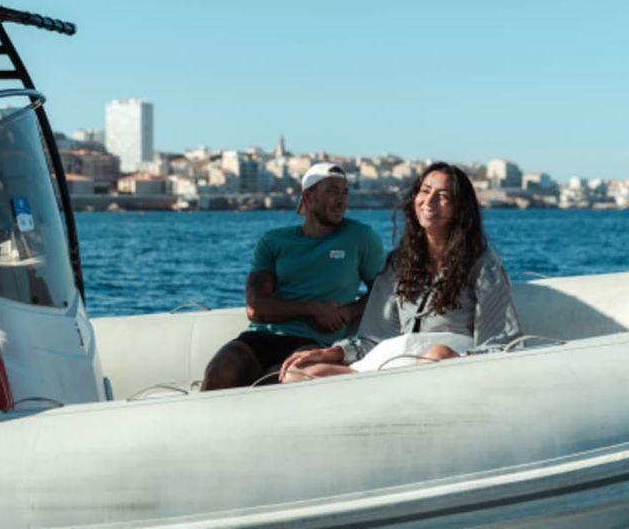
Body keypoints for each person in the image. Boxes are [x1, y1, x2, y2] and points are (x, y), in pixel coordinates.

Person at [279, 162, 522, 382]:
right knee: (297, 373)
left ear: (459, 208)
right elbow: (373, 338)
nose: (429, 201)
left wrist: (454, 357)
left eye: (443, 195)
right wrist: (331, 352)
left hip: (449, 362)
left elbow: (498, 342)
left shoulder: (482, 263)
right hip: (394, 362)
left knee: (434, 355)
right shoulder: (399, 262)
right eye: (425, 191)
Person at [201, 162, 385, 390]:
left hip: (316, 342)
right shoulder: (273, 241)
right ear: (308, 196)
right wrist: (314, 309)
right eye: (332, 191)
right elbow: (256, 308)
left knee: (276, 379)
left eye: (345, 192)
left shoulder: (360, 237)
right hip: (262, 336)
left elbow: (383, 292)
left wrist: (348, 312)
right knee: (222, 370)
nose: (341, 200)